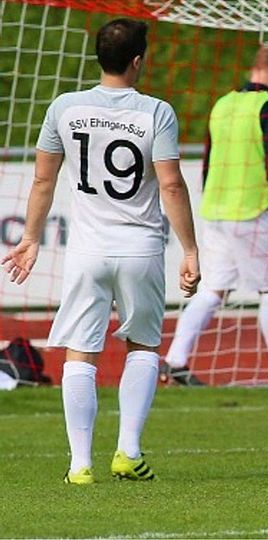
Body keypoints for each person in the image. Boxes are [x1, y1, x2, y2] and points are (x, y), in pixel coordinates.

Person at [1, 18, 201, 484]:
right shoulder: (156, 112)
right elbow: (170, 184)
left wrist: (30, 237)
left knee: (79, 353)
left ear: (99, 57)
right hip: (140, 250)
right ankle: (128, 452)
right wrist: (190, 248)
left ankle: (80, 464)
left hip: (87, 252)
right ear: (138, 61)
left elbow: (43, 179)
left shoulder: (64, 107)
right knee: (144, 345)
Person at [162, 44, 268, 386]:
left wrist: (211, 202)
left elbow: (208, 162)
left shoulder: (222, 104)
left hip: (215, 210)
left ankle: (174, 361)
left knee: (213, 290)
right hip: (253, 210)